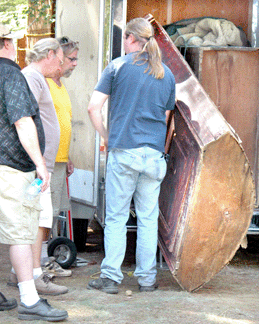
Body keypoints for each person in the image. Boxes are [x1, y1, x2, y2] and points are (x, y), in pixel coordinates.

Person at [0, 18, 68, 321]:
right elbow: (22, 121)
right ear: (8, 45)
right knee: (20, 236)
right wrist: (40, 164)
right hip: (11, 168)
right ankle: (29, 299)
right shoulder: (10, 75)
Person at [87, 18, 175, 294]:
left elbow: (93, 108)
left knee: (116, 217)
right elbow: (166, 118)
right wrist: (162, 148)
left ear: (129, 38)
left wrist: (106, 136)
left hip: (124, 151)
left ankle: (111, 277)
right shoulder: (166, 73)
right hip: (153, 156)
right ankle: (147, 279)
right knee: (148, 218)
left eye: (124, 38)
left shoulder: (117, 66)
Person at [7, 38, 69, 295]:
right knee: (38, 219)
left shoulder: (35, 77)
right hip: (38, 164)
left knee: (38, 218)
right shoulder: (32, 77)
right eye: (61, 58)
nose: (62, 64)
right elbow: (24, 118)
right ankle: (33, 277)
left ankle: (18, 274)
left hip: (42, 162)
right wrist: (39, 161)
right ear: (50, 54)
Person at [46, 37, 79, 264]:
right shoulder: (44, 83)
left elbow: (63, 121)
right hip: (46, 161)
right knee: (44, 214)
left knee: (53, 212)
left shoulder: (61, 85)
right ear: (58, 57)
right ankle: (38, 265)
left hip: (59, 159)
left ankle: (44, 262)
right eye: (71, 59)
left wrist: (68, 156)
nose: (75, 63)